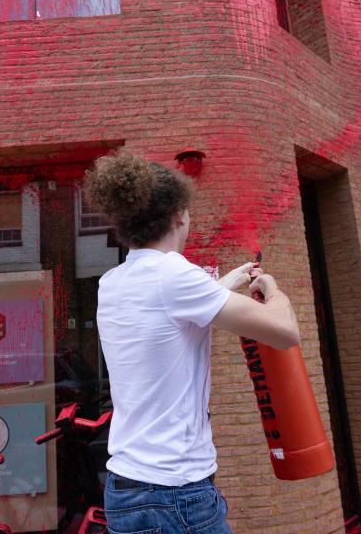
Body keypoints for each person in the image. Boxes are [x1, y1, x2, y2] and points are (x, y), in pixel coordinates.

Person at [84, 151, 301, 534]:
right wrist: (274, 291)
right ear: (178, 214)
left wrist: (225, 284)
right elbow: (285, 332)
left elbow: (168, 323)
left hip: (124, 489)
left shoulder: (112, 282)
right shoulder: (174, 275)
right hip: (175, 495)